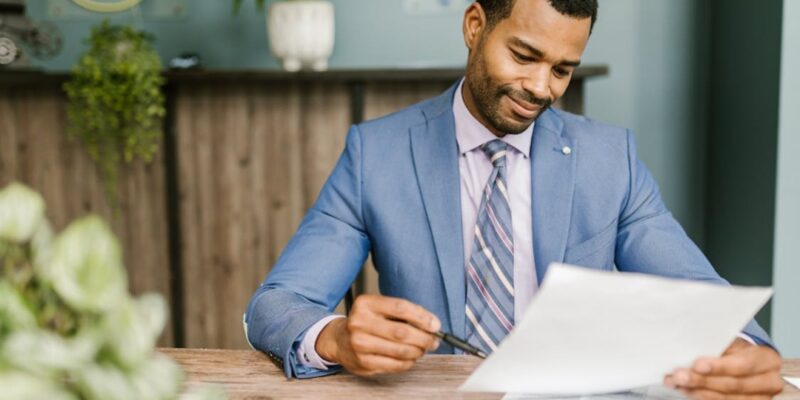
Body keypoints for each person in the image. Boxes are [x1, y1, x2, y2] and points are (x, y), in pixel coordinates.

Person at [244, 0, 784, 397]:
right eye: (524, 55)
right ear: (475, 26)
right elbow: (273, 306)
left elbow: (704, 294)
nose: (541, 87)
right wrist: (335, 337)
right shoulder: (376, 154)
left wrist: (745, 351)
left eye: (562, 69)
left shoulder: (609, 159)